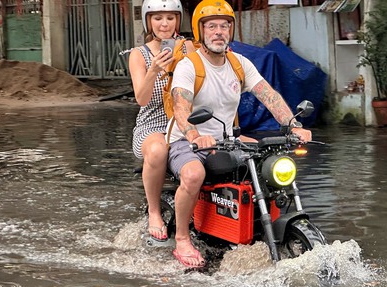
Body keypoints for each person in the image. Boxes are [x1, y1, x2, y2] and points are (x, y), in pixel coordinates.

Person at [165, 0, 312, 268]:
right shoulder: (189, 65)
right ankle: (183, 239)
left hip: (227, 140)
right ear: (200, 32)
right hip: (186, 141)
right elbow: (180, 107)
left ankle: (249, 226)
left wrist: (293, 125)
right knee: (194, 174)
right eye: (212, 26)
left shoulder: (239, 63)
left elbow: (268, 94)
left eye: (224, 25)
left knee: (264, 158)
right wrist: (196, 136)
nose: (219, 31)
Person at [128, 0, 196, 242]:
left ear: (178, 20)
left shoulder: (188, 46)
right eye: (158, 18)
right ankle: (154, 212)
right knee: (158, 150)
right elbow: (141, 99)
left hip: (186, 119)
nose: (164, 24)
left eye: (170, 18)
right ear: (149, 21)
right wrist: (154, 70)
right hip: (153, 123)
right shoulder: (139, 54)